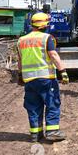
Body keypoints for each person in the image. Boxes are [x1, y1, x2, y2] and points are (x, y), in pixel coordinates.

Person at [17, 12, 69, 143]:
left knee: (33, 106)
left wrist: (19, 75)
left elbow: (20, 60)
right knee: (52, 103)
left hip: (29, 80)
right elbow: (53, 55)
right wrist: (62, 71)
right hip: (46, 78)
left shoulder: (21, 40)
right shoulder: (47, 38)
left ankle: (35, 134)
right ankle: (52, 131)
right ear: (45, 24)